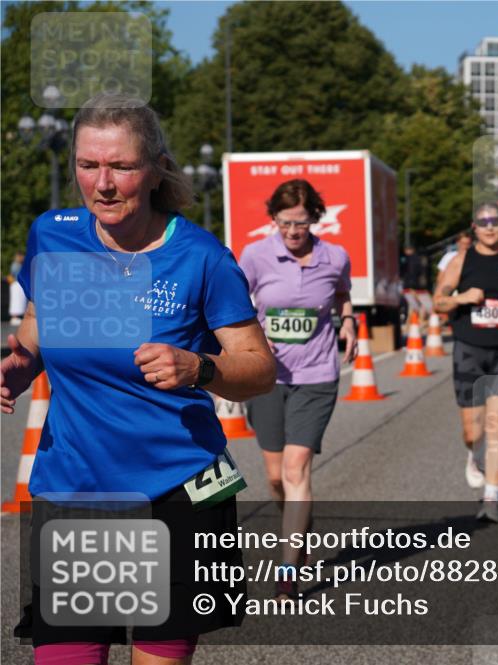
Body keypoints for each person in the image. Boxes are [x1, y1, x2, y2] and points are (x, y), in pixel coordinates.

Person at [1, 93, 276, 665]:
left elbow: (259, 367)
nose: (102, 184)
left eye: (121, 167)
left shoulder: (201, 256)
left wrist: (199, 367)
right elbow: (40, 325)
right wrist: (20, 365)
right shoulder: (53, 234)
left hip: (177, 490)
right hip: (75, 489)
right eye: (88, 165)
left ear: (155, 170)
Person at [240, 179, 357, 598]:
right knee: (275, 478)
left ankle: (288, 569)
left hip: (317, 374)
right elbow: (235, 303)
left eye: (301, 223)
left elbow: (342, 294)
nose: (292, 231)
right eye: (285, 222)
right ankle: (299, 524)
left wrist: (348, 322)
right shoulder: (255, 256)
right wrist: (253, 335)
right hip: (268, 377)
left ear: (315, 220)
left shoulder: (334, 256)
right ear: (273, 218)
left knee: (295, 468)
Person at [433, 203, 498, 523]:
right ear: (474, 227)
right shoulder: (460, 262)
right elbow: (438, 302)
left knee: (497, 424)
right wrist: (462, 298)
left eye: (495, 221)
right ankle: (474, 452)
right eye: (484, 222)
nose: (490, 227)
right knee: (473, 430)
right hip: (469, 349)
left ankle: (491, 497)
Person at [400, 245, 432, 323]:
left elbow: (411, 273)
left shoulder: (409, 259)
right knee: (418, 307)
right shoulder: (421, 259)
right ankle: (418, 322)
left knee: (414, 307)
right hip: (418, 287)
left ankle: (414, 322)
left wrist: (411, 287)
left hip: (411, 287)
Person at [7, 251, 26, 326]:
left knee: (20, 301)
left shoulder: (20, 265)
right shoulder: (15, 265)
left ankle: (18, 317)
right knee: (15, 301)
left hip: (19, 285)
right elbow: (13, 275)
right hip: (16, 284)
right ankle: (14, 317)